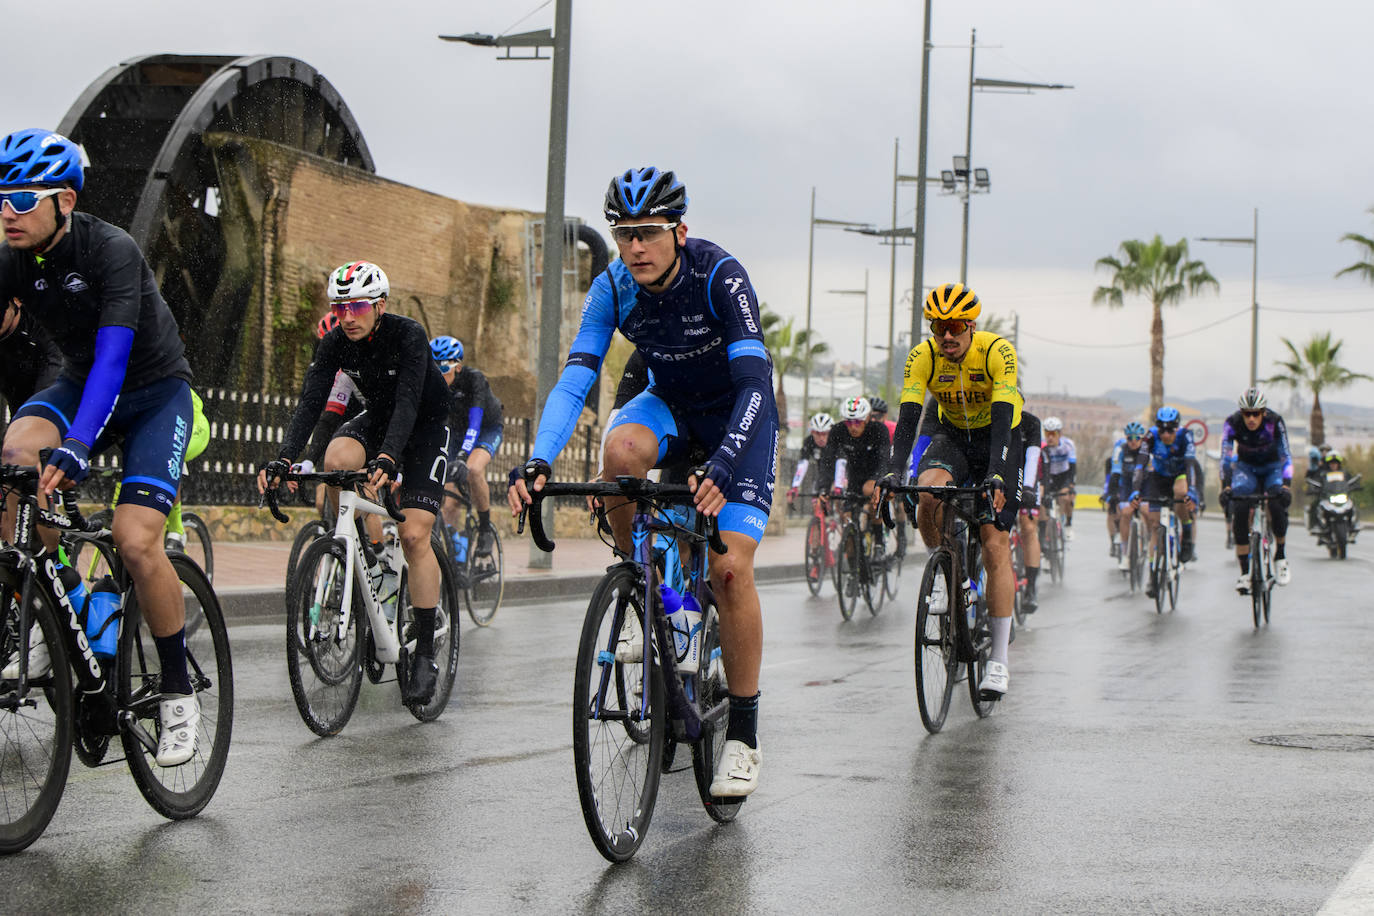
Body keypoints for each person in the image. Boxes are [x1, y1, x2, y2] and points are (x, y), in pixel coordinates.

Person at [506, 167, 774, 797]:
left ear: (679, 230)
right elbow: (577, 380)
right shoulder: (613, 287)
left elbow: (755, 387)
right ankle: (638, 585)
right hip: (673, 409)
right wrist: (540, 460)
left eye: (649, 233)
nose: (636, 247)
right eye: (624, 234)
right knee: (621, 450)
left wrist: (726, 464)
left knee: (729, 570)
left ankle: (743, 734)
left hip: (739, 420)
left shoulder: (719, 276)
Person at [0, 128, 199, 766]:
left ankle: (177, 690)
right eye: (0, 196)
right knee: (14, 458)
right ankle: (43, 600)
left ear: (63, 198)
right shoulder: (10, 257)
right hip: (81, 382)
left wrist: (80, 444)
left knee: (137, 540)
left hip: (151, 392)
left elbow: (114, 362)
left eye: (23, 197)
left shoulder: (110, 249)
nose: (8, 210)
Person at [257, 260, 452, 705]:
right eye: (340, 306)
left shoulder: (408, 335)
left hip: (423, 425)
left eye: (358, 306)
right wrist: (285, 459)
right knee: (338, 457)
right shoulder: (335, 343)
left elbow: (407, 404)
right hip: (382, 420)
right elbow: (311, 402)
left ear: (380, 305)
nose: (348, 316)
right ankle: (363, 563)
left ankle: (424, 650)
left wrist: (388, 456)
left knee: (415, 533)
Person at [885, 282, 1023, 699]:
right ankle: (945, 572)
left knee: (994, 542)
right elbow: (909, 417)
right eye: (938, 327)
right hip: (951, 434)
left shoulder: (996, 351)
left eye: (956, 326)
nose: (947, 336)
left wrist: (997, 474)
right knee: (927, 492)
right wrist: (893, 471)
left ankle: (997, 660)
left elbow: (1002, 418)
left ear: (971, 325)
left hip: (998, 439)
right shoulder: (922, 357)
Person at [431, 335, 503, 555]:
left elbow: (476, 421)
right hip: (457, 434)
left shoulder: (474, 379)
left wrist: (462, 457)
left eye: (444, 369)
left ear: (458, 366)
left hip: (485, 429)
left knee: (473, 469)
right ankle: (453, 549)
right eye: (433, 369)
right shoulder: (434, 387)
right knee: (450, 501)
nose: (439, 375)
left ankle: (484, 529)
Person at [1220, 388, 1293, 592]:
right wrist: (1226, 485)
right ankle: (1244, 573)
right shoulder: (1232, 422)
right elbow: (1225, 457)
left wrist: (1287, 484)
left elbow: (1285, 453)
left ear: (1263, 412)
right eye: (1247, 414)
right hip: (1246, 469)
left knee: (1277, 504)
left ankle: (1280, 556)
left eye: (1256, 413)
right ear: (1241, 413)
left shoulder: (1275, 421)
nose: (1251, 418)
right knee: (1240, 508)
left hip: (1272, 468)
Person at [1130, 406, 1199, 589]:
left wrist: (1192, 490)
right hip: (1159, 478)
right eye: (1162, 430)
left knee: (1180, 493)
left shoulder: (1186, 436)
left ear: (1177, 428)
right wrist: (1136, 490)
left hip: (1179, 475)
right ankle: (1153, 574)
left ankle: (1187, 533)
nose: (1166, 434)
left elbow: (1191, 465)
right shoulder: (1151, 436)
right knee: (1154, 525)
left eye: (1170, 430)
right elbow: (1140, 465)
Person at [817, 397, 888, 524]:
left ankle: (878, 540)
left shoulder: (879, 430)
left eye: (857, 422)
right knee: (847, 517)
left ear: (866, 418)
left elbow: (884, 460)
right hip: (854, 475)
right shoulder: (838, 430)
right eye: (849, 423)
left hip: (875, 472)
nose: (852, 427)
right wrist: (824, 487)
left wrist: (877, 481)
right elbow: (827, 461)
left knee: (871, 499)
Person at [0, 295, 62, 421]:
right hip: (14, 383)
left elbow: (56, 361)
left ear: (16, 301)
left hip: (52, 369)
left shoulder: (42, 317)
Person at [1107, 421, 1150, 571]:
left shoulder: (1147, 450)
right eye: (1129, 438)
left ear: (1141, 439)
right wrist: (1112, 494)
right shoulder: (1120, 449)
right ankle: (1125, 554)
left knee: (1146, 511)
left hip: (1144, 484)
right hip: (1126, 483)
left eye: (1136, 438)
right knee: (1125, 514)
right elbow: (1115, 474)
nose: (1133, 441)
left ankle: (1148, 539)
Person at [1016, 410, 1044, 611]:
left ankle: (1031, 586)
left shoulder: (1030, 423)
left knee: (1028, 527)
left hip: (1027, 477)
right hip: (1003, 475)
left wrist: (1027, 488)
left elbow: (1033, 460)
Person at [1041, 416, 1077, 540]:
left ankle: (1067, 524)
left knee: (1066, 498)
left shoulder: (1068, 445)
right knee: (1042, 501)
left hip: (1063, 475)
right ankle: (1045, 533)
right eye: (1047, 433)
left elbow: (1072, 466)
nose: (1050, 437)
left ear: (1059, 434)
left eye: (1053, 434)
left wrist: (1071, 485)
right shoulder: (1042, 445)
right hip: (1048, 476)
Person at [788, 412, 832, 509]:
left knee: (838, 497)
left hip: (839, 475)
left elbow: (843, 464)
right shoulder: (809, 442)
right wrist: (795, 487)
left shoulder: (836, 441)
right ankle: (819, 521)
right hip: (822, 476)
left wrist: (839, 485)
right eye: (817, 433)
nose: (821, 437)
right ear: (812, 432)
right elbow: (803, 464)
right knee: (816, 500)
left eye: (824, 434)